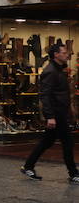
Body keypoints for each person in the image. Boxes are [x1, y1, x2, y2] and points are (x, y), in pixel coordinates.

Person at [21, 44, 79, 184]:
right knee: (68, 142)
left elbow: (61, 93)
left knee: (47, 142)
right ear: (56, 55)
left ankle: (28, 166)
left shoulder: (59, 70)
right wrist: (50, 116)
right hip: (56, 114)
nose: (67, 55)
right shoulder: (51, 71)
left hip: (60, 112)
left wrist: (69, 108)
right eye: (64, 52)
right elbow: (45, 95)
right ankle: (73, 173)